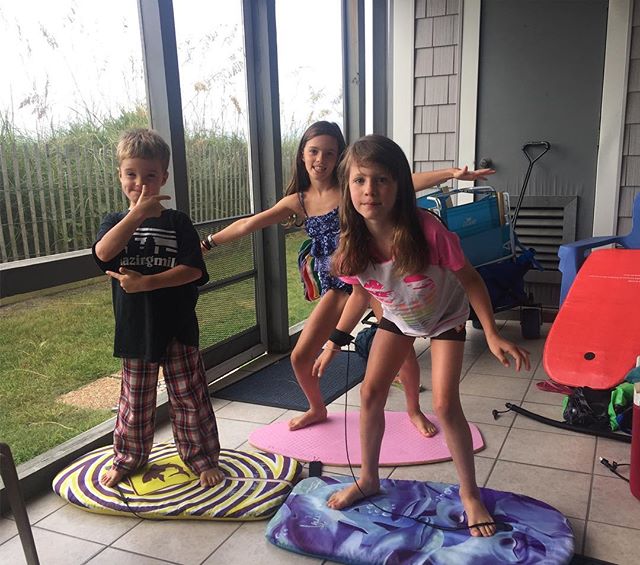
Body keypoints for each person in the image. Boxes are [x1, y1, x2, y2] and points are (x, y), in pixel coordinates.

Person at [201, 120, 495, 432]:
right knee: (300, 356)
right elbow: (248, 224)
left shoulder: (351, 189)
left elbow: (406, 181)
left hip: (374, 280)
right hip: (340, 286)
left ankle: (414, 410)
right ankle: (316, 408)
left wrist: (451, 174)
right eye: (314, 151)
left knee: (404, 354)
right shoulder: (298, 201)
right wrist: (207, 243)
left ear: (339, 158)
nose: (321, 159)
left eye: (330, 153)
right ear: (302, 155)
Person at [315, 134, 529, 537]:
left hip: (445, 317)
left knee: (445, 405)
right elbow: (360, 294)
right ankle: (368, 479)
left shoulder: (427, 230)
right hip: (399, 317)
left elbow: (471, 279)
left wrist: (492, 333)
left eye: (381, 180)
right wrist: (333, 342)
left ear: (399, 184)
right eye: (360, 180)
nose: (370, 190)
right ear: (347, 187)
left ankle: (470, 494)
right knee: (369, 395)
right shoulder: (351, 243)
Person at [93, 128, 223, 489]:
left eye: (150, 175)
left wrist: (146, 283)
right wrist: (135, 215)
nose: (140, 183)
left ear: (163, 177)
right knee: (135, 401)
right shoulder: (114, 223)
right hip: (136, 329)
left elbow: (193, 270)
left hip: (178, 327)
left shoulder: (177, 221)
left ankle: (201, 458)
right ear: (120, 176)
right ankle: (127, 458)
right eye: (131, 174)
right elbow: (103, 254)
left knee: (189, 397)